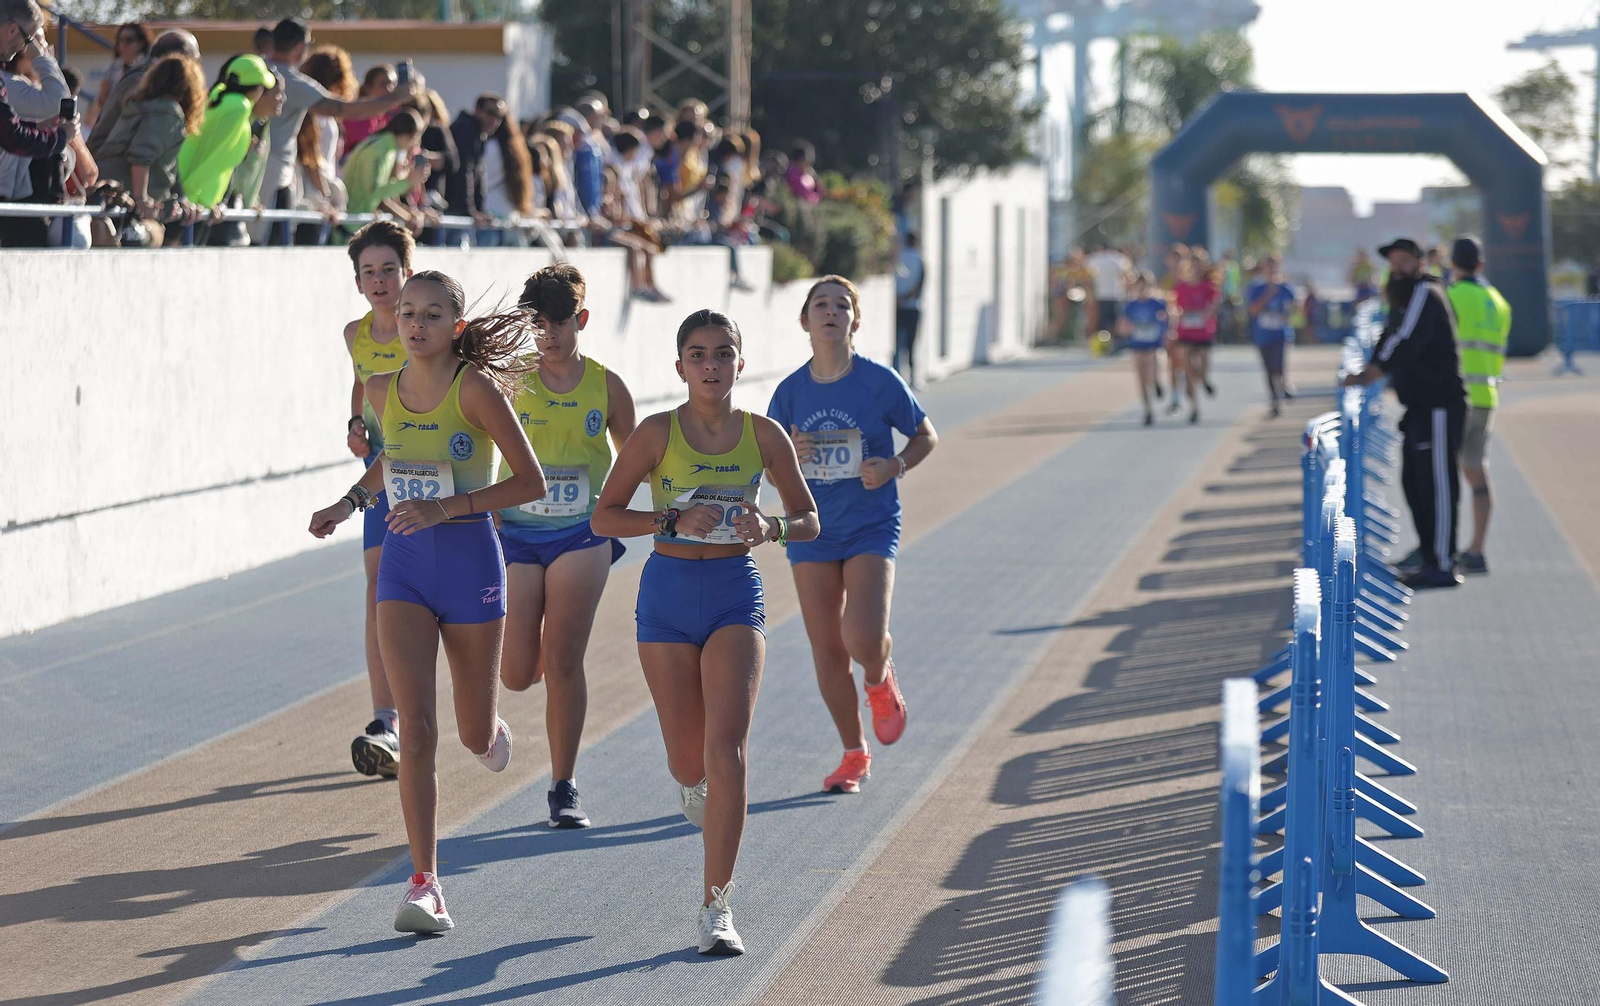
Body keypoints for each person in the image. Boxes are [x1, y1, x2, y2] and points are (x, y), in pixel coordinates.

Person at [308, 270, 546, 933]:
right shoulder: (382, 391)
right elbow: (392, 462)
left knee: (471, 733)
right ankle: (425, 884)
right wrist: (348, 502)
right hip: (405, 572)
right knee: (416, 726)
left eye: (431, 315)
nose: (414, 324)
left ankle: (491, 727)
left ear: (456, 327)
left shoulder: (477, 390)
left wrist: (449, 507)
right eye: (408, 312)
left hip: (471, 567)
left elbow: (530, 481)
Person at [591, 309, 819, 956]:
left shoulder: (764, 434)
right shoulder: (657, 433)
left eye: (723, 354)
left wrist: (771, 528)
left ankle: (717, 906)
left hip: (733, 596)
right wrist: (670, 517)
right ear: (680, 367)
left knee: (729, 752)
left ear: (740, 363)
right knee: (688, 762)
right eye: (698, 355)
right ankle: (692, 789)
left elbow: (809, 519)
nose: (712, 365)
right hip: (665, 599)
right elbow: (604, 518)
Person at [768, 276, 935, 794]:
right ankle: (853, 753)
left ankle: (880, 676)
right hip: (811, 526)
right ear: (805, 321)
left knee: (860, 637)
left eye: (842, 305)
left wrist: (894, 466)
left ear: (855, 322)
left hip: (869, 523)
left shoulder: (879, 381)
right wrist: (790, 460)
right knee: (826, 649)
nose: (831, 311)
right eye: (821, 304)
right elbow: (770, 469)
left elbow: (925, 436)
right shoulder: (789, 392)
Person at [496, 264, 637, 829]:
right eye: (536, 324)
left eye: (557, 323)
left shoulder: (607, 386)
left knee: (563, 658)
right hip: (516, 532)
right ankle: (518, 694)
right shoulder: (508, 379)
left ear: (580, 320)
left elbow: (640, 456)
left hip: (582, 533)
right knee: (513, 673)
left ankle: (563, 784)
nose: (547, 335)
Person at [1342, 238, 1467, 589]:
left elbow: (1406, 339)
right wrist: (1371, 366)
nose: (1396, 267)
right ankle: (1430, 556)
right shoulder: (1402, 298)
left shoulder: (1425, 292)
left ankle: (1443, 563)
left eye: (1402, 260)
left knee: (1438, 485)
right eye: (1392, 261)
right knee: (1414, 483)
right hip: (1418, 407)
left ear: (1418, 262)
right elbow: (1389, 335)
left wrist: (1371, 374)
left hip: (1440, 404)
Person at [341, 220, 415, 778]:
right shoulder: (355, 334)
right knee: (378, 592)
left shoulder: (430, 326)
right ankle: (385, 721)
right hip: (379, 475)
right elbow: (361, 382)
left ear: (407, 271)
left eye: (389, 268)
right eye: (369, 271)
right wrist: (354, 422)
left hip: (437, 475)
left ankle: (461, 712)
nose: (380, 280)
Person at [258, 18, 413, 245]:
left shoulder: (253, 66)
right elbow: (346, 109)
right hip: (277, 181)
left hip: (250, 171)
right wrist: (397, 97)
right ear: (300, 47)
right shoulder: (292, 81)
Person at [1443, 235, 1510, 576]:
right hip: (1486, 397)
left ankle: (1442, 549)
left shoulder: (1450, 297)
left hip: (1455, 397)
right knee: (1476, 470)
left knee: (1445, 474)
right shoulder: (1498, 302)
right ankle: (1477, 549)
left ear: (1452, 264)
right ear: (1480, 264)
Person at [93, 53, 206, 231]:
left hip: (106, 188)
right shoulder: (168, 112)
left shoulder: (140, 105)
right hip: (123, 196)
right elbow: (141, 156)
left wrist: (181, 198)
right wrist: (141, 200)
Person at [0, 0, 71, 247]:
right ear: (11, 30)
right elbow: (14, 138)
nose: (25, 47)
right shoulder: (10, 82)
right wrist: (60, 136)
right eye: (28, 39)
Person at [178, 53, 277, 211]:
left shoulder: (220, 94)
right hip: (195, 197)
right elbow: (213, 154)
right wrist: (194, 197)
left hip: (195, 193)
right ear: (256, 88)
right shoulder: (239, 107)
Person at [87, 29, 198, 159]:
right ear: (183, 59)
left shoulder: (151, 79)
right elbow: (142, 151)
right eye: (196, 60)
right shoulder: (145, 82)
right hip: (117, 167)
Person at [293, 46, 355, 245]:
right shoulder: (315, 115)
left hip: (316, 201)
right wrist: (327, 197)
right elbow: (312, 161)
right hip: (313, 204)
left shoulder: (311, 110)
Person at [343, 109, 429, 233]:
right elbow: (375, 192)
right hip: (349, 223)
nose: (415, 145)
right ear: (406, 136)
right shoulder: (379, 149)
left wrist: (408, 214)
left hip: (355, 221)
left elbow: (384, 195)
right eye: (416, 138)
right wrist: (408, 182)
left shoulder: (387, 148)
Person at [445, 93, 505, 236]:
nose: (494, 120)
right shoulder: (465, 129)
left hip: (459, 210)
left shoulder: (479, 135)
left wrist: (479, 210)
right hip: (451, 209)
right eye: (490, 113)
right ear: (477, 110)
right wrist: (471, 211)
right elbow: (465, 171)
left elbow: (478, 174)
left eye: (500, 117)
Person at [1171, 255, 1220, 424]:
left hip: (1203, 332)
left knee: (1202, 369)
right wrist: (1180, 314)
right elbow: (1175, 307)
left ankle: (1205, 380)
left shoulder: (1208, 286)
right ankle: (1194, 408)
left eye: (1198, 265)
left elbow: (1214, 304)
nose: (1195, 268)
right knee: (1189, 372)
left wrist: (1205, 313)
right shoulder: (1181, 286)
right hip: (1185, 333)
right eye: (1192, 265)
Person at [1246, 255, 1295, 417]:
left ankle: (1283, 386)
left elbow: (1295, 308)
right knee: (1268, 369)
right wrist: (1268, 294)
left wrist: (1289, 313)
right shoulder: (1256, 288)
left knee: (1278, 365)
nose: (1271, 270)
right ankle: (1275, 400)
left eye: (1273, 266)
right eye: (1268, 267)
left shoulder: (1285, 288)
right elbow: (1253, 310)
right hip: (1263, 335)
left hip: (1280, 334)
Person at [1119, 271, 1168, 425]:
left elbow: (1168, 317)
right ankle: (1148, 409)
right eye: (1139, 287)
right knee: (1141, 378)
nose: (1142, 290)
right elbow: (1123, 326)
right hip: (1137, 344)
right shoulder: (1131, 305)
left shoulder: (1158, 303)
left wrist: (1166, 331)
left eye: (1145, 286)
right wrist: (1126, 329)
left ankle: (1157, 382)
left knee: (1152, 370)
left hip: (1153, 344)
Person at [89, 22, 149, 129]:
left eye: (129, 40)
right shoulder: (112, 69)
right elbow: (101, 101)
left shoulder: (150, 68)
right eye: (121, 40)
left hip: (142, 122)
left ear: (141, 43)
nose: (124, 44)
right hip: (116, 124)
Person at [341, 63, 396, 154]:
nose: (390, 89)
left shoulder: (389, 114)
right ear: (367, 88)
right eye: (383, 84)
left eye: (393, 84)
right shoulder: (358, 116)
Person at [895, 232, 925, 388]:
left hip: (898, 306)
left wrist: (898, 298)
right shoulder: (919, 259)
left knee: (897, 345)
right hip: (913, 307)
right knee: (911, 344)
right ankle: (913, 378)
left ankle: (898, 377)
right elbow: (920, 283)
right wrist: (908, 297)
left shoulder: (898, 257)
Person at [1086, 244, 1131, 338]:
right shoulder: (1120, 259)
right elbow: (1127, 276)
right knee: (1114, 321)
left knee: (1101, 322)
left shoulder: (1093, 259)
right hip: (1116, 295)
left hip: (1100, 295)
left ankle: (1101, 341)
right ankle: (1113, 341)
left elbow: (1088, 278)